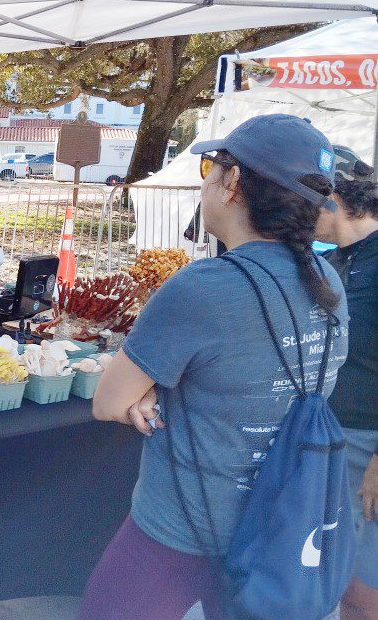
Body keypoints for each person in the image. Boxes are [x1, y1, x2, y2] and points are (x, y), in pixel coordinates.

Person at [79, 114, 349, 620]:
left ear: (233, 184)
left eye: (210, 166)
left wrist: (149, 391)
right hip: (283, 519)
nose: (205, 179)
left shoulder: (203, 287)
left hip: (186, 527)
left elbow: (109, 403)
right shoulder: (328, 279)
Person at [315, 158, 378, 620]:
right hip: (335, 435)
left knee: (364, 581)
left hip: (369, 444)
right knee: (337, 567)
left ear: (334, 200)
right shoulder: (335, 261)